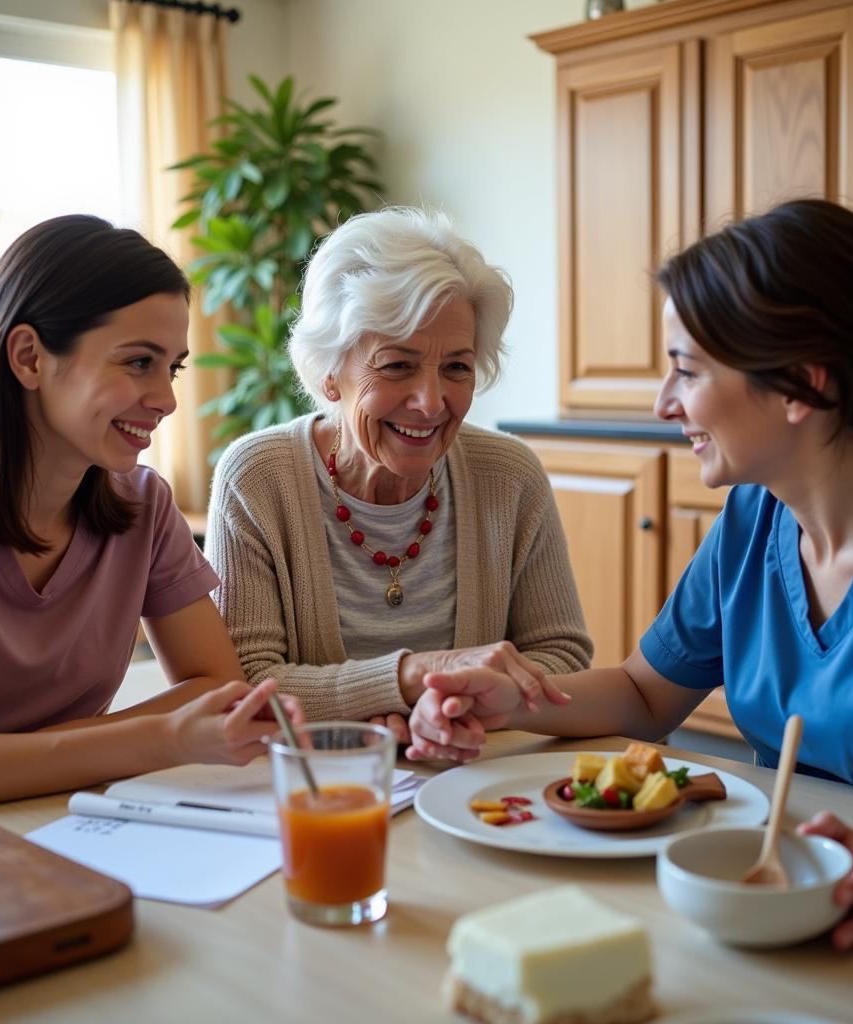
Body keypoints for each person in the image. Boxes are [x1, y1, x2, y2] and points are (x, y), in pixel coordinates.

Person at [408, 199, 853, 951]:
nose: (663, 403)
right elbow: (644, 695)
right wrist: (508, 697)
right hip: (776, 904)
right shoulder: (755, 521)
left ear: (799, 386)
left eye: (685, 370)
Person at [0, 215, 300, 814]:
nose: (167, 399)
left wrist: (6, 757)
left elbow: (219, 691)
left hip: (70, 819)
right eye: (139, 362)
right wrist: (158, 738)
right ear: (29, 357)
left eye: (172, 368)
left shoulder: (142, 504)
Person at [206, 207, 590, 736]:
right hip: (320, 786)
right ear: (329, 372)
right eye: (396, 365)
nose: (431, 403)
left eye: (457, 366)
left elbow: (562, 655)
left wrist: (453, 706)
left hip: (477, 776)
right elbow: (248, 685)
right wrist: (411, 678)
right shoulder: (258, 478)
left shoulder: (508, 475)